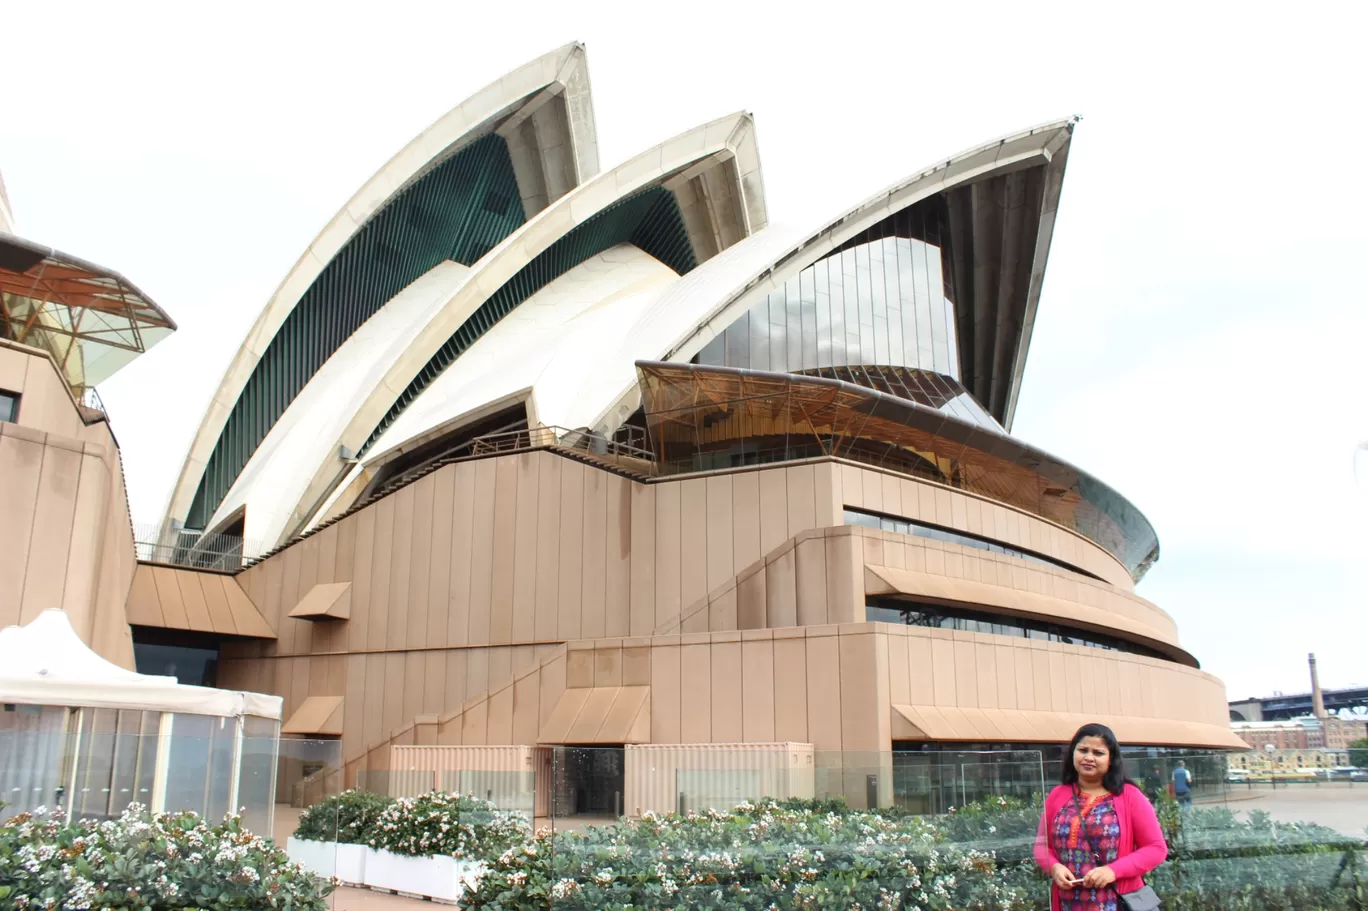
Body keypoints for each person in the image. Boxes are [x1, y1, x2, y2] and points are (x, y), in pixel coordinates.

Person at [1034, 723, 1168, 910]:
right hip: (1068, 903)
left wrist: (1113, 871)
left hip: (1115, 901)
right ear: (1073, 753)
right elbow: (1042, 846)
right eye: (1083, 750)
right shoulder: (1058, 795)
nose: (1089, 757)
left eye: (1098, 753)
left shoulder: (1130, 796)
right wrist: (1054, 867)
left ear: (1111, 759)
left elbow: (1156, 848)